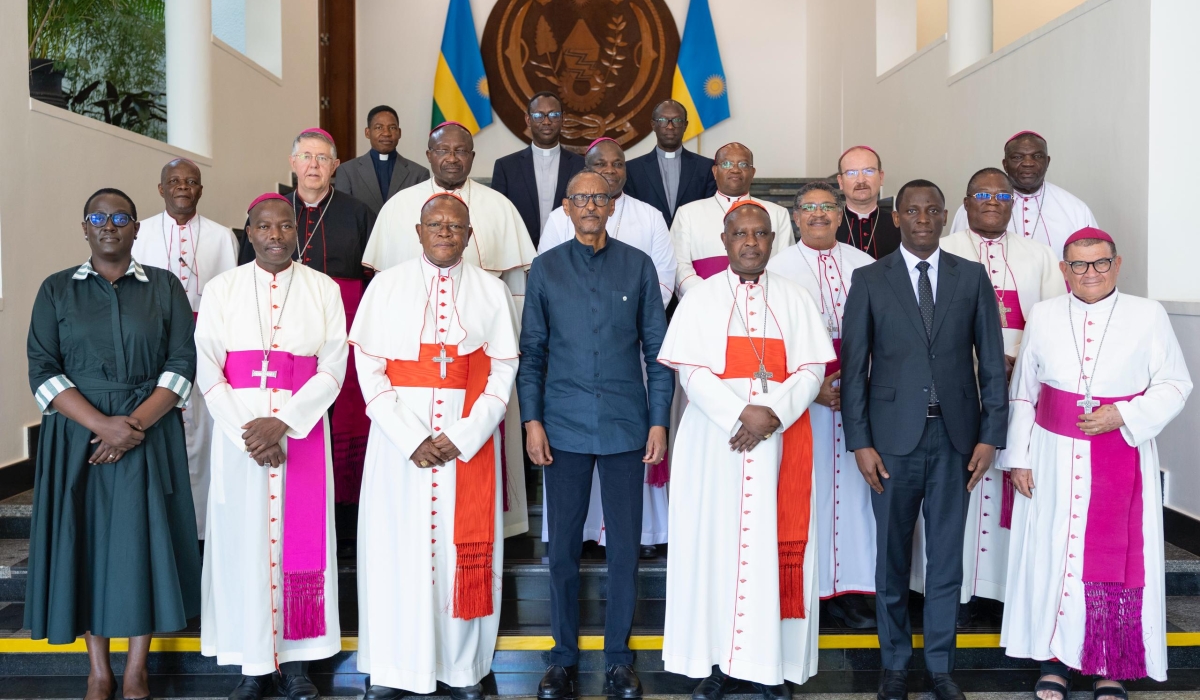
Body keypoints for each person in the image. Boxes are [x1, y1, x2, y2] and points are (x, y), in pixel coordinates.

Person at [26, 188, 201, 700]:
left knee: (141, 546)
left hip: (148, 432)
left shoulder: (164, 287)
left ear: (136, 228)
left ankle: (136, 668)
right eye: (98, 217)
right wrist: (104, 427)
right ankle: (99, 669)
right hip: (78, 437)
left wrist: (132, 426)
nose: (109, 224)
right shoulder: (56, 289)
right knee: (86, 544)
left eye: (120, 216)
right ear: (84, 227)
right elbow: (42, 370)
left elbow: (182, 365)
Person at [1001, 228, 1192, 697]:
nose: (1091, 273)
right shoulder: (1044, 315)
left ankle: (1111, 665)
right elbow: (1024, 391)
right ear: (1064, 269)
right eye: (1080, 265)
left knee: (1112, 559)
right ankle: (1054, 660)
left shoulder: (1147, 315)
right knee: (1053, 555)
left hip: (1119, 451)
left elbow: (1175, 384)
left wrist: (1122, 413)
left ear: (1117, 264)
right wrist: (1019, 458)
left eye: (1101, 263)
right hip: (1051, 455)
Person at [660, 199, 835, 699]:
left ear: (772, 241)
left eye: (760, 234)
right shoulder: (700, 300)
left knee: (771, 550)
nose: (752, 242)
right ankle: (715, 663)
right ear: (725, 241)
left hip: (781, 440)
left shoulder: (796, 298)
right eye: (741, 234)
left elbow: (810, 370)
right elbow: (690, 372)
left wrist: (772, 414)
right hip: (716, 443)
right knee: (713, 549)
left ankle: (770, 666)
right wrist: (742, 414)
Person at [840, 180, 1008, 700]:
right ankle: (894, 666)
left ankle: (940, 669)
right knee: (891, 559)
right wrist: (860, 441)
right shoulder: (869, 279)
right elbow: (853, 370)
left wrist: (991, 435)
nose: (921, 219)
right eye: (911, 210)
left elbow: (993, 366)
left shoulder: (972, 277)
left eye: (932, 210)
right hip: (891, 443)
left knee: (945, 559)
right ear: (896, 217)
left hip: (957, 440)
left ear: (944, 216)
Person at [350, 193, 519, 700]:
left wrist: (464, 435)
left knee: (459, 555)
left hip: (466, 445)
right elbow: (369, 368)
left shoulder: (491, 292)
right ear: (418, 232)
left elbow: (503, 369)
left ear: (470, 236)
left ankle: (461, 666)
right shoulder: (385, 287)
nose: (445, 233)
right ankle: (395, 668)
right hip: (401, 447)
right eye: (436, 225)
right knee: (395, 553)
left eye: (455, 226)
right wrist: (412, 437)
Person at [518, 171, 672, 700]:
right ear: (566, 207)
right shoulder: (545, 269)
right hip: (561, 424)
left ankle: (617, 661)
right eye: (580, 198)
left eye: (598, 198)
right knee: (561, 548)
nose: (589, 206)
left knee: (625, 548)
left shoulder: (639, 264)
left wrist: (659, 420)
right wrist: (531, 420)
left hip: (628, 424)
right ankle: (561, 659)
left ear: (611, 206)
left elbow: (658, 352)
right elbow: (532, 353)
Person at [198, 193, 348, 700]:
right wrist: (251, 432)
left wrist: (282, 423)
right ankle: (252, 663)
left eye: (285, 227)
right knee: (242, 544)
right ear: (249, 232)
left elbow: (333, 368)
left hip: (299, 435)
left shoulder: (324, 289)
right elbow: (207, 370)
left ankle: (300, 661)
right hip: (240, 440)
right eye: (264, 227)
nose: (276, 235)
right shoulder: (222, 289)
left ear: (296, 233)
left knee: (301, 546)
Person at [365, 120, 538, 536]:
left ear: (473, 158)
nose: (453, 158)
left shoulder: (499, 207)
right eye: (443, 150)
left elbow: (516, 291)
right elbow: (381, 329)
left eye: (462, 151)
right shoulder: (398, 208)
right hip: (408, 388)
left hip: (477, 376)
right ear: (428, 156)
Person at [538, 137, 676, 557]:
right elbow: (549, 300)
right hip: (570, 386)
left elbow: (663, 279)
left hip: (625, 370)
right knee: (566, 526)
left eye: (617, 165)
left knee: (624, 525)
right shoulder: (555, 237)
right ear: (569, 204)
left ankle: (641, 539)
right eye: (601, 165)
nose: (610, 172)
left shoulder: (648, 222)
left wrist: (625, 320)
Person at [934, 168, 1064, 613]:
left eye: (1002, 195)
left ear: (1014, 203)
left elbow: (1054, 320)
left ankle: (1006, 585)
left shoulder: (1041, 255)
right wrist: (983, 362)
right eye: (982, 194)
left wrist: (1021, 362)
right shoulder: (942, 251)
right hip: (955, 386)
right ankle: (956, 586)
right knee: (958, 478)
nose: (993, 201)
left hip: (1022, 386)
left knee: (1010, 475)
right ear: (966, 203)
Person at [237, 127, 375, 505]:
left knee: (344, 412)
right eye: (306, 157)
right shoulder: (270, 212)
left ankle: (343, 510)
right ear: (293, 162)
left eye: (322, 158)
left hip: (343, 326)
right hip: (282, 330)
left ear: (335, 166)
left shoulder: (358, 212)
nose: (314, 165)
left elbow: (371, 279)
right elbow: (247, 276)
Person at [767, 182, 877, 629]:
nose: (817, 214)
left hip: (860, 395)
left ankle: (851, 590)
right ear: (795, 217)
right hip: (801, 401)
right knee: (808, 494)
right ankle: (809, 586)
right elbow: (767, 345)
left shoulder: (866, 264)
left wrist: (858, 384)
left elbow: (886, 334)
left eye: (826, 207)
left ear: (840, 214)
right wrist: (813, 389)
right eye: (808, 208)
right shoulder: (776, 268)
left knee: (855, 497)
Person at [132, 157, 239, 537]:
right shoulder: (138, 232)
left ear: (200, 190)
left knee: (205, 430)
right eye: (174, 181)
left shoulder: (223, 237)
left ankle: (203, 528)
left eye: (190, 181)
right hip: (152, 347)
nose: (182, 187)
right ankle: (159, 525)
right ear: (161, 188)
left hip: (206, 343)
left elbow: (231, 300)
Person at [672, 142, 793, 297]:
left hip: (763, 298)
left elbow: (783, 265)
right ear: (715, 171)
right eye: (727, 163)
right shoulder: (687, 213)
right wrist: (707, 294)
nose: (735, 169)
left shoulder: (777, 213)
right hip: (706, 301)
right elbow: (679, 265)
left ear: (753, 172)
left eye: (743, 164)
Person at [950, 131, 1097, 258]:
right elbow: (954, 255)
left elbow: (1094, 258)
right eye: (1018, 157)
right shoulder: (975, 206)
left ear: (1048, 161)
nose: (1028, 163)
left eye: (1037, 156)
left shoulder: (1075, 209)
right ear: (1005, 164)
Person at [491, 91, 585, 247]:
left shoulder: (581, 166)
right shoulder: (506, 167)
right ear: (528, 119)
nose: (546, 122)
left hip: (567, 254)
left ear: (562, 118)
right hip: (520, 255)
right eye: (538, 116)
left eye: (553, 115)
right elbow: (497, 218)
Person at [624, 99, 718, 227]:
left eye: (677, 121)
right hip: (649, 243)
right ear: (653, 125)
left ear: (685, 125)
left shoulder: (706, 167)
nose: (670, 126)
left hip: (692, 243)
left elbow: (709, 213)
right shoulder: (632, 169)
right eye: (663, 121)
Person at [334, 105, 430, 217]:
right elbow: (342, 214)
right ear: (367, 132)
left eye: (392, 128)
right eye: (379, 127)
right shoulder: (347, 171)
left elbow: (422, 217)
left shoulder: (418, 174)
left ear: (399, 133)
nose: (386, 133)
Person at [835, 146, 901, 259]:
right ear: (840, 182)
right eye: (851, 173)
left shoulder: (899, 224)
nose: (861, 180)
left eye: (869, 171)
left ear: (881, 177)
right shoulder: (829, 225)